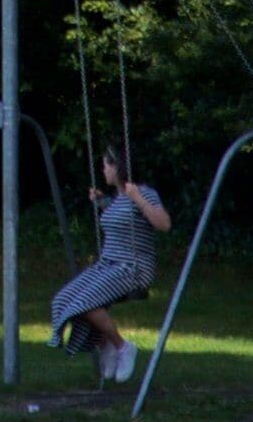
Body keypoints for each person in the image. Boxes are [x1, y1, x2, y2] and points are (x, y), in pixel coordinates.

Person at [47, 149, 171, 383]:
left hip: (133, 269)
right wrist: (102, 203)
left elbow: (163, 224)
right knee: (62, 300)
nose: (103, 170)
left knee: (86, 302)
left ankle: (123, 347)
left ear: (117, 167)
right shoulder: (119, 197)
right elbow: (123, 222)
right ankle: (106, 345)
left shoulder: (144, 193)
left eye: (106, 165)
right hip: (108, 265)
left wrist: (138, 199)